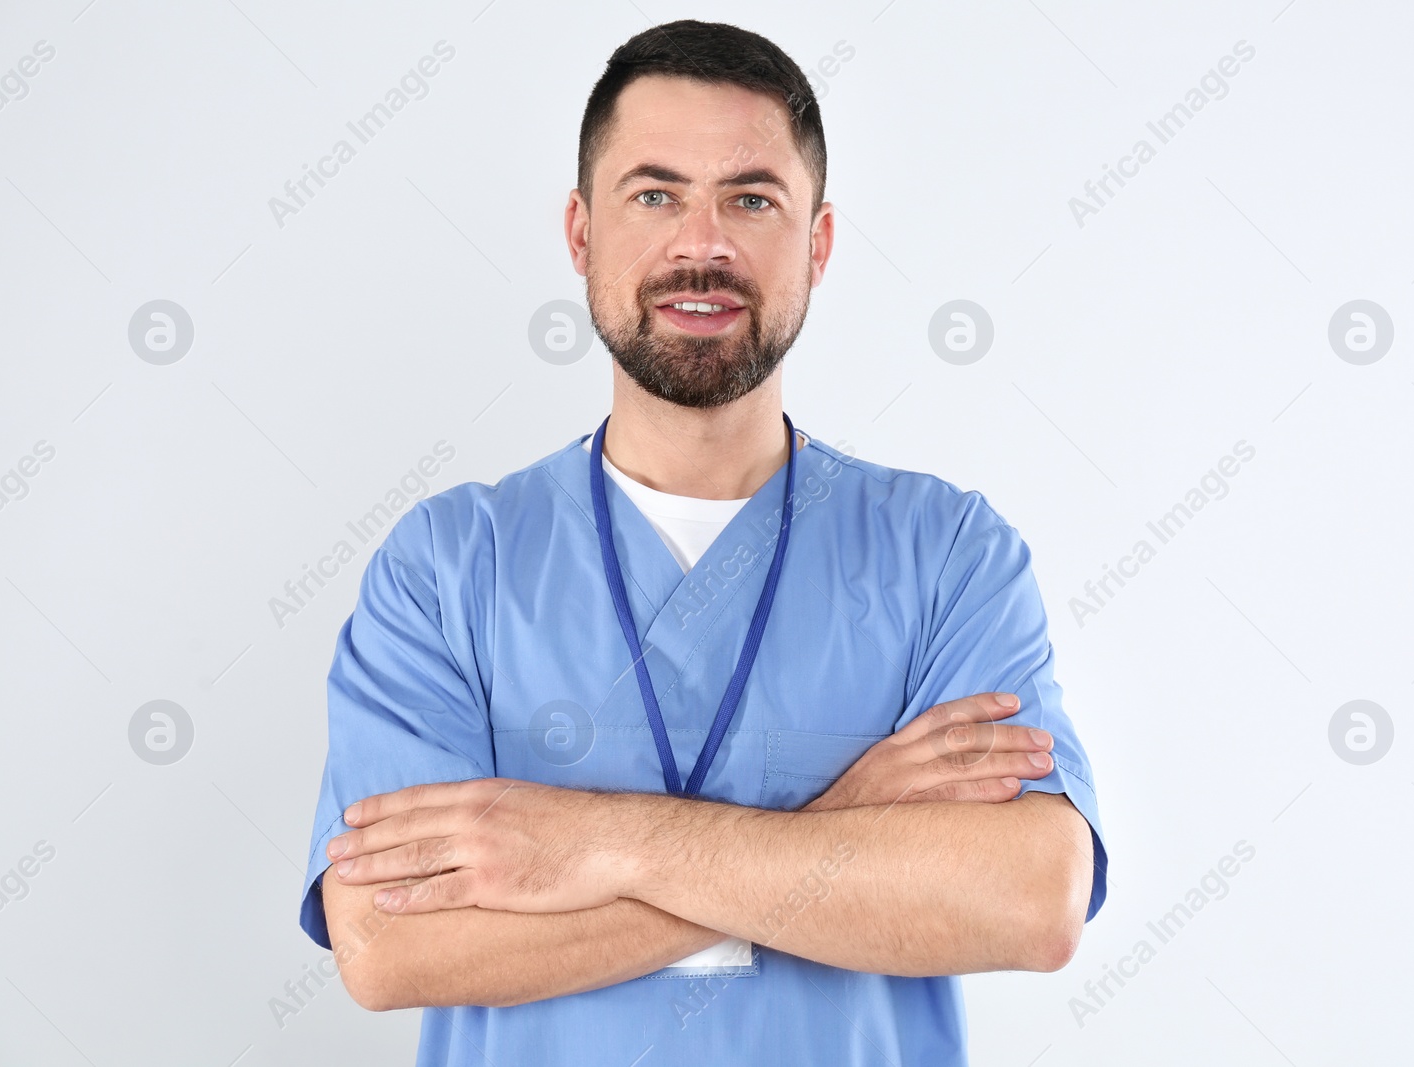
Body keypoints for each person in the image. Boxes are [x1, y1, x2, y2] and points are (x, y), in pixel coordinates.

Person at [298, 19, 1108, 1065]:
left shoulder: (943, 552)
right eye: (655, 194)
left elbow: (1032, 899)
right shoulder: (452, 565)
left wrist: (588, 843)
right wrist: (840, 824)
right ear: (581, 234)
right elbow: (387, 944)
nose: (702, 245)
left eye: (751, 199)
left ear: (815, 243)